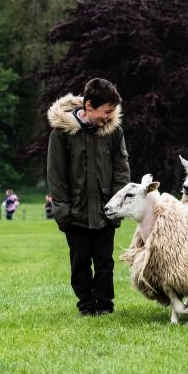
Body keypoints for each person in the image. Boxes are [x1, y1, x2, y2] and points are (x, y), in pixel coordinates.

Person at [47, 78, 130, 316]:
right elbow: (56, 175)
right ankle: (85, 304)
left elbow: (121, 170)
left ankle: (104, 305)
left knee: (105, 261)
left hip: (106, 211)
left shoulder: (114, 132)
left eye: (113, 112)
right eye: (106, 111)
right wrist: (63, 211)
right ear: (89, 106)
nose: (109, 117)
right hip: (75, 213)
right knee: (80, 262)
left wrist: (118, 205)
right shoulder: (62, 133)